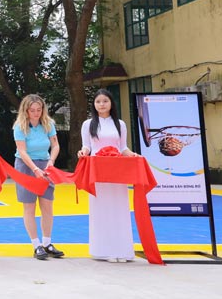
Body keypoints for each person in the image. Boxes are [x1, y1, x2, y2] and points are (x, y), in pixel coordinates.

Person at [78, 88, 138, 262]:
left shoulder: (120, 124)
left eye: (105, 101)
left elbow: (123, 148)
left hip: (117, 170)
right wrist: (82, 152)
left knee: (119, 208)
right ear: (94, 105)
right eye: (98, 102)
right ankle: (104, 250)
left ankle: (122, 250)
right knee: (101, 209)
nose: (101, 104)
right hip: (98, 169)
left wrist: (133, 155)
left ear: (111, 103)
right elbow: (87, 146)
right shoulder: (88, 124)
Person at [12, 94, 64, 260]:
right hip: (26, 166)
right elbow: (22, 150)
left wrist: (51, 162)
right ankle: (36, 245)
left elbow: (55, 145)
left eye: (39, 109)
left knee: (47, 205)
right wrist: (35, 169)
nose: (36, 113)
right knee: (29, 207)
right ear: (26, 110)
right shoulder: (20, 126)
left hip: (45, 164)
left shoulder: (48, 124)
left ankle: (47, 243)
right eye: (32, 110)